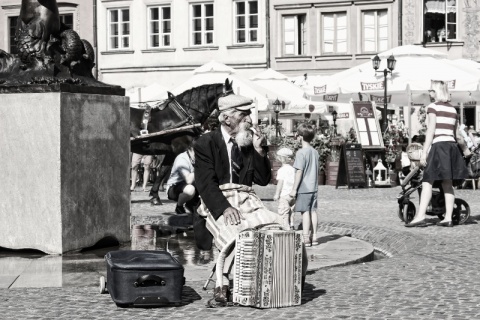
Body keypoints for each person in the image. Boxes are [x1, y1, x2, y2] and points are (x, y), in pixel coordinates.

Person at [194, 94, 307, 304]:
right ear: (227, 118)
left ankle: (281, 278)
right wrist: (224, 208)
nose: (249, 119)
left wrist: (258, 150)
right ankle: (223, 284)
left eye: (249, 114)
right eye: (243, 114)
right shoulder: (206, 143)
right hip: (218, 199)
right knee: (233, 232)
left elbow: (263, 179)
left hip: (247, 198)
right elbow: (205, 183)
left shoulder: (246, 142)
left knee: (279, 227)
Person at [405, 80, 469, 228]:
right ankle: (448, 217)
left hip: (439, 146)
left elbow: (431, 131)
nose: (429, 93)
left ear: (436, 92)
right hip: (452, 147)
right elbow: (457, 135)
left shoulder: (432, 107)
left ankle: (420, 216)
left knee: (428, 181)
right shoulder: (453, 110)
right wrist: (466, 151)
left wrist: (424, 153)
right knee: (447, 183)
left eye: (431, 90)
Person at [289, 123, 319, 246]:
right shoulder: (315, 152)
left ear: (300, 137)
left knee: (305, 212)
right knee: (314, 211)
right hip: (314, 187)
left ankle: (306, 237)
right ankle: (315, 236)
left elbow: (299, 172)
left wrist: (294, 190)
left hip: (304, 187)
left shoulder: (301, 153)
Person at [165, 141, 198, 214]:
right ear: (191, 149)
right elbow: (188, 180)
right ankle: (179, 206)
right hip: (175, 187)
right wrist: (199, 166)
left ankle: (191, 204)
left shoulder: (196, 157)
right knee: (190, 189)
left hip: (194, 185)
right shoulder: (182, 158)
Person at [273, 147, 296, 230]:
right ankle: (292, 224)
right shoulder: (293, 169)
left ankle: (285, 227)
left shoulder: (281, 170)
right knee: (291, 211)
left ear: (281, 159)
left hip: (284, 195)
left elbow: (280, 183)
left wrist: (277, 194)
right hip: (293, 194)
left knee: (283, 212)